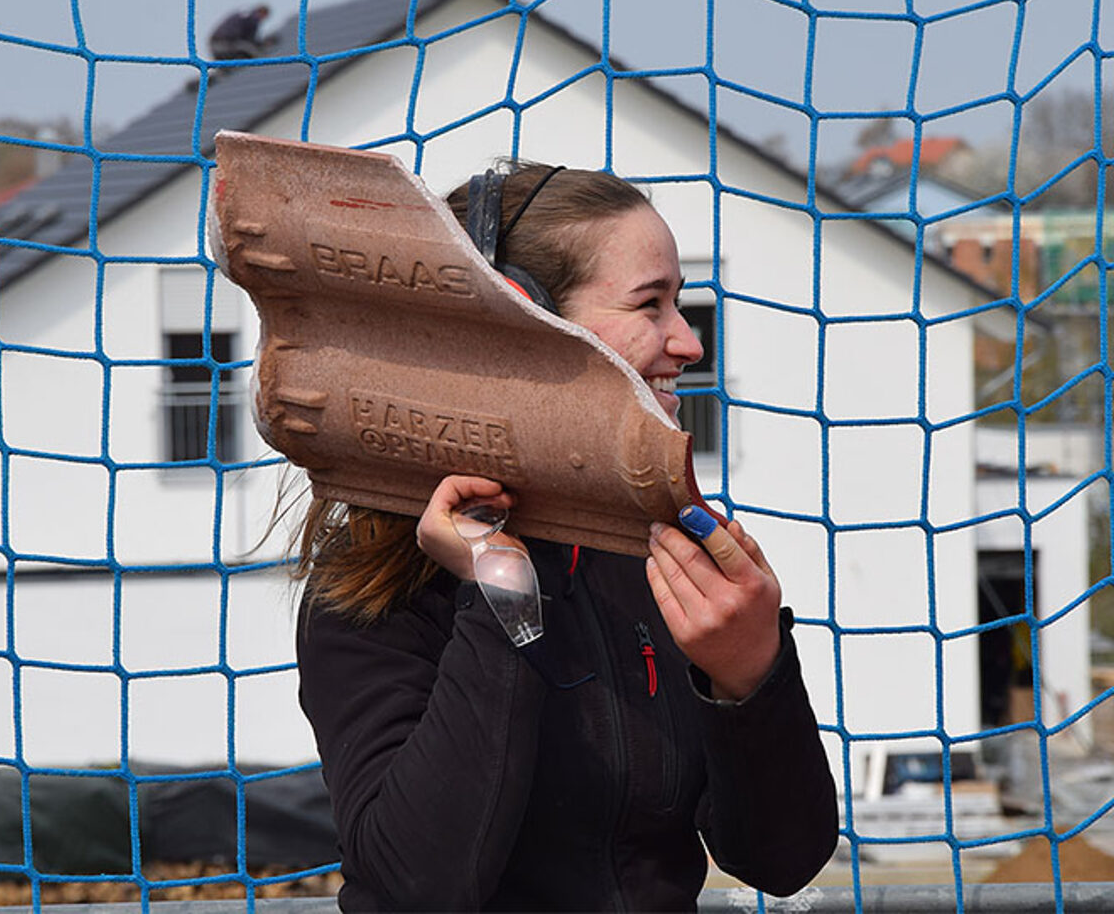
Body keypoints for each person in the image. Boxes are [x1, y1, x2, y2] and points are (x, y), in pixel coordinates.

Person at [294, 162, 838, 910]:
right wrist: (502, 586)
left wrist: (748, 677)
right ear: (523, 323)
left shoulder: (653, 552)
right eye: (651, 304)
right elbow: (417, 884)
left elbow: (782, 859)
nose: (689, 341)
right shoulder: (374, 583)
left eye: (680, 303)